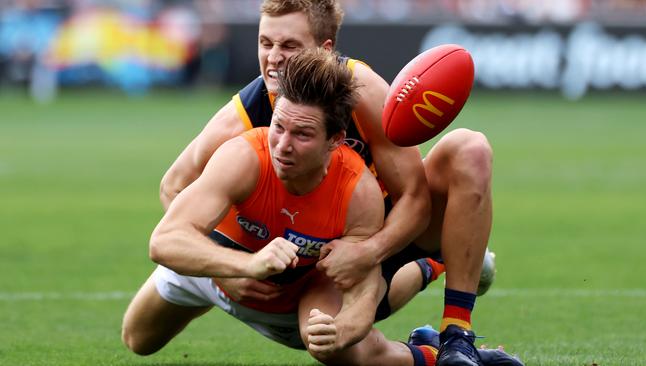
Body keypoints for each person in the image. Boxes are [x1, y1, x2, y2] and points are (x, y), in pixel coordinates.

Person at [123, 48, 522, 366]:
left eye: (302, 134)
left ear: (336, 141)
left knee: (335, 348)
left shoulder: (359, 192)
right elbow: (164, 240)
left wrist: (343, 330)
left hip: (292, 295)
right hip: (217, 269)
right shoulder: (243, 154)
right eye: (279, 127)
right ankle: (438, 262)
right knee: (137, 339)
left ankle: (435, 347)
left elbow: (366, 287)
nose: (283, 144)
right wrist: (236, 267)